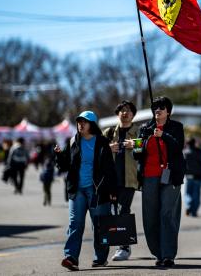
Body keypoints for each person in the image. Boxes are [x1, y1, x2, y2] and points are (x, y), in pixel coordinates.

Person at [55, 111, 117, 271]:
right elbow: (64, 166)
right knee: (75, 224)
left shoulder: (102, 142)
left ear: (92, 124)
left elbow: (110, 168)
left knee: (99, 225)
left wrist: (112, 190)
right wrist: (59, 156)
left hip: (98, 190)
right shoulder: (73, 141)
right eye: (79, 121)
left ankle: (100, 258)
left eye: (85, 121)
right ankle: (71, 257)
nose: (81, 124)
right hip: (77, 190)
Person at [136, 96, 186, 268]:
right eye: (155, 108)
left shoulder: (176, 127)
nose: (157, 110)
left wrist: (163, 135)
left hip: (170, 175)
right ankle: (158, 252)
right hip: (149, 176)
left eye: (161, 108)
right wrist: (135, 146)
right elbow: (138, 153)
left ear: (168, 112)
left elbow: (178, 147)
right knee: (150, 215)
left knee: (167, 214)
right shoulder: (144, 128)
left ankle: (168, 254)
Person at [102, 100, 140, 261]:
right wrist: (108, 148)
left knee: (123, 210)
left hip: (129, 179)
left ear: (133, 114)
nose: (125, 113)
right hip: (110, 180)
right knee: (112, 212)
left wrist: (136, 145)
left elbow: (144, 152)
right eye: (122, 110)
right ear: (117, 114)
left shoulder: (139, 132)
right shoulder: (109, 132)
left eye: (129, 111)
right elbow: (97, 152)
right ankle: (119, 244)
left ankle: (124, 247)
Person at [183, 137, 201, 217]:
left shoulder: (185, 152)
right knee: (196, 194)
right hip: (198, 177)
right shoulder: (199, 152)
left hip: (189, 176)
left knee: (188, 194)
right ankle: (194, 211)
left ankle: (188, 206)